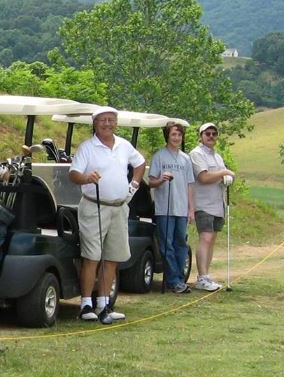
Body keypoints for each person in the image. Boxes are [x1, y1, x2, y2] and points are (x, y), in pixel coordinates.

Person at [69, 106, 146, 324]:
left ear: (116, 123)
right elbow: (73, 174)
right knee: (92, 256)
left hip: (120, 207)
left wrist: (134, 185)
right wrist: (86, 178)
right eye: (102, 120)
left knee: (112, 257)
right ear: (95, 123)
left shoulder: (123, 145)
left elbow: (140, 163)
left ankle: (104, 303)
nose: (107, 123)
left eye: (111, 120)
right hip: (95, 206)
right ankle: (85, 304)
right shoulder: (87, 147)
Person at [149, 121, 195, 294]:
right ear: (167, 135)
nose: (176, 138)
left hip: (181, 209)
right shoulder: (159, 156)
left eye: (179, 135)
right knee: (166, 245)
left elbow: (190, 185)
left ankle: (178, 279)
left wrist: (191, 209)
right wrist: (161, 179)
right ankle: (173, 280)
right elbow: (151, 182)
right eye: (173, 134)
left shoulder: (186, 158)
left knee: (181, 243)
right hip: (164, 209)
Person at [189, 122, 235, 291]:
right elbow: (204, 178)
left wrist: (226, 177)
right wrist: (224, 173)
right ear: (200, 136)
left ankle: (206, 275)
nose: (210, 136)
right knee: (206, 238)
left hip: (217, 204)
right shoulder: (196, 154)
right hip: (203, 204)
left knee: (212, 240)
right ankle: (201, 277)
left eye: (213, 134)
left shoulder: (217, 156)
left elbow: (221, 176)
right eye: (207, 133)